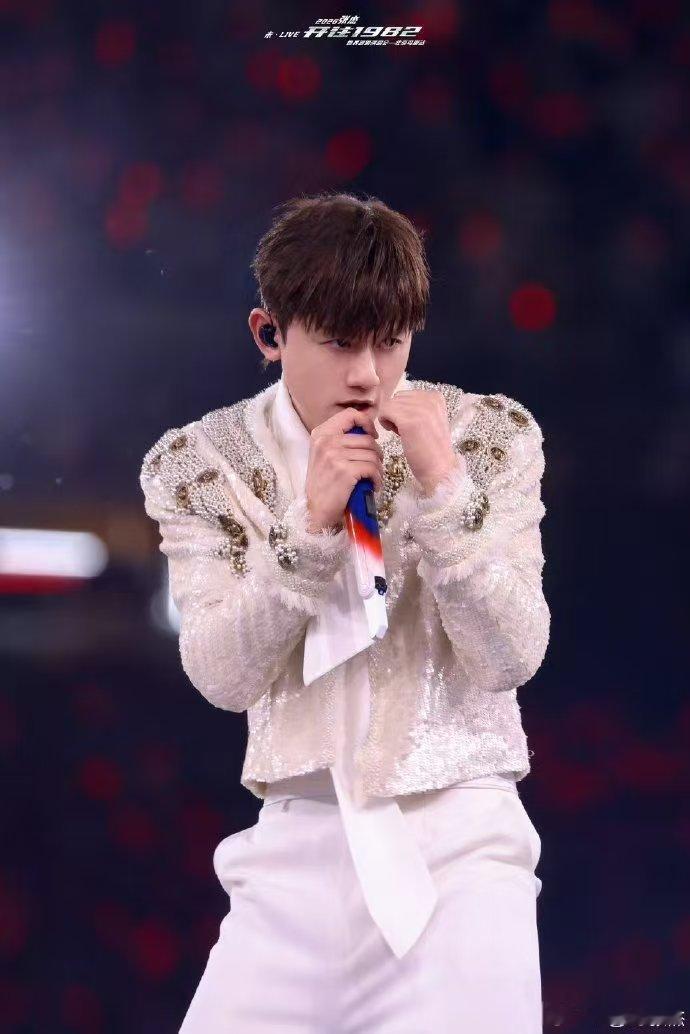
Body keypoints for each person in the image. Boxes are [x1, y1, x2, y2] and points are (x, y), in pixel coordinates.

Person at [139, 191, 550, 1032]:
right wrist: (308, 530)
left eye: (390, 342)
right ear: (269, 333)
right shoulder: (198, 464)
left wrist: (445, 489)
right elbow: (222, 676)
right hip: (294, 850)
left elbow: (513, 655)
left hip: (461, 847)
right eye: (338, 342)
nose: (367, 373)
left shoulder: (489, 436)